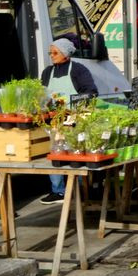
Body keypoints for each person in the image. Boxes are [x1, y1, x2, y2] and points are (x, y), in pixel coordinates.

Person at [38, 37, 96, 205]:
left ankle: (77, 187)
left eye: (55, 52)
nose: (51, 56)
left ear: (65, 53)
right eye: (50, 53)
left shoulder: (78, 70)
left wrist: (74, 105)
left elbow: (91, 91)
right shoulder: (47, 72)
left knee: (72, 150)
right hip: (55, 117)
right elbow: (43, 94)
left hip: (73, 115)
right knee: (55, 150)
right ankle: (58, 190)